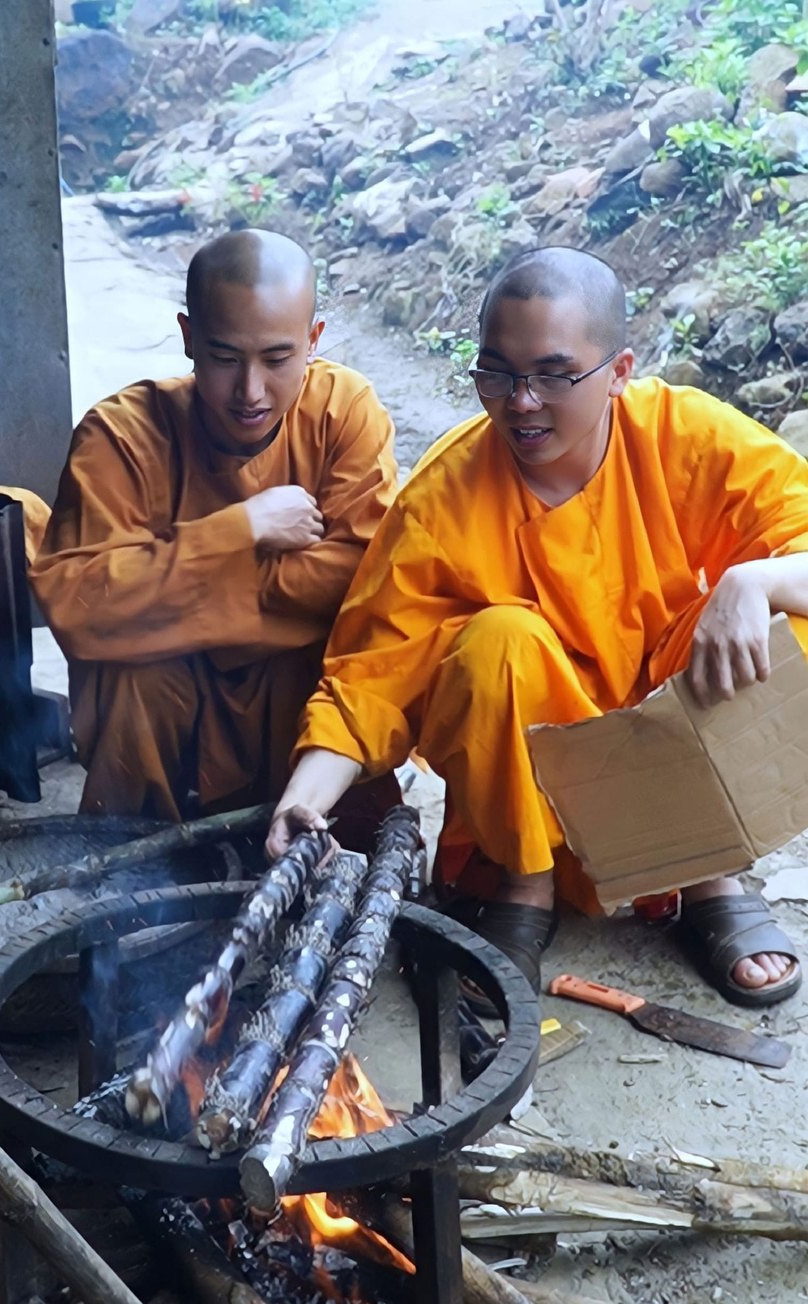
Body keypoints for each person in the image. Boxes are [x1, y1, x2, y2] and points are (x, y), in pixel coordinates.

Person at [268, 246, 804, 1011]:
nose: (520, 401)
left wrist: (755, 580)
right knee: (496, 644)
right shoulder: (446, 495)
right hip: (533, 791)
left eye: (554, 374)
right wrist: (304, 798)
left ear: (619, 371)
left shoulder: (687, 437)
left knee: (783, 614)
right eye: (498, 372)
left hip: (668, 744)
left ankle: (707, 870)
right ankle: (526, 885)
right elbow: (369, 677)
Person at [29, 228, 400, 825]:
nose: (250, 392)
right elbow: (79, 608)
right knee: (132, 672)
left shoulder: (343, 412)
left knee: (351, 655)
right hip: (167, 713)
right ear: (188, 338)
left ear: (313, 341)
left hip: (292, 704)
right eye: (225, 358)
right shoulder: (122, 436)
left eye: (278, 359)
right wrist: (239, 530)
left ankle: (325, 831)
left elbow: (361, 580)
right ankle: (130, 856)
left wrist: (172, 596)